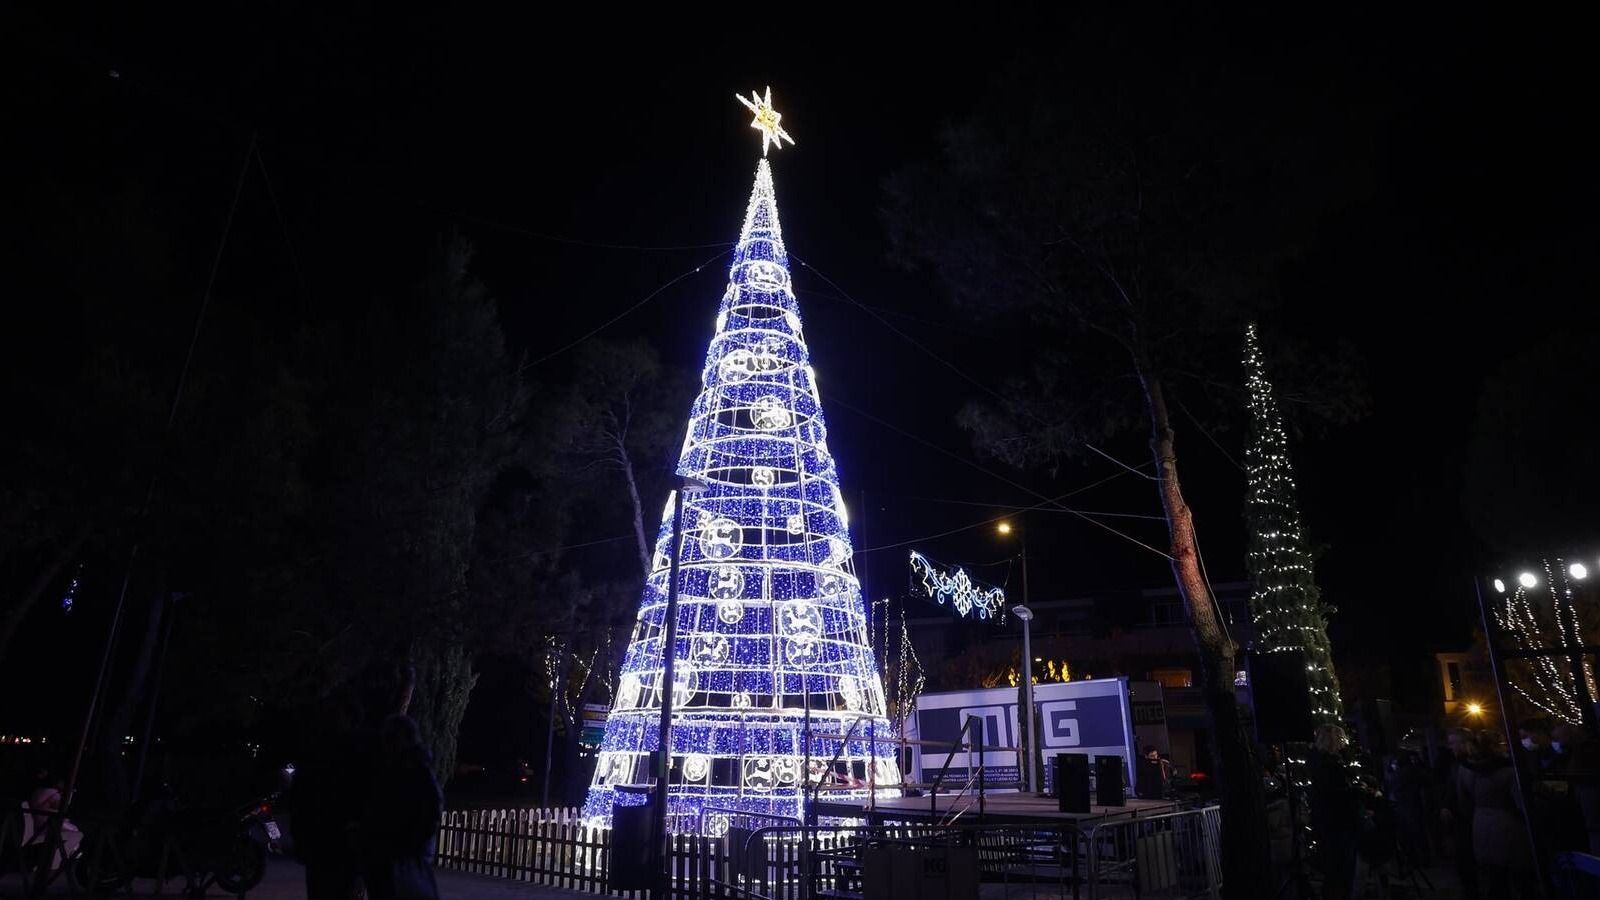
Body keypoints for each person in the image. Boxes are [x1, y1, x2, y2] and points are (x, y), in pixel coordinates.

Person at [359, 715, 442, 900]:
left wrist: (406, 844)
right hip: (386, 858)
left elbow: (429, 814)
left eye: (392, 738)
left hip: (404, 858)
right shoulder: (392, 769)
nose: (388, 743)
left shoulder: (416, 772)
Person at [1458, 732, 1536, 899]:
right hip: (1510, 825)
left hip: (1481, 825)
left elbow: (1463, 802)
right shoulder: (1508, 771)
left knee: (1495, 880)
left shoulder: (1465, 770)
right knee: (1522, 879)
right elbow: (1520, 802)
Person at [1308, 724, 1359, 900]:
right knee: (1340, 869)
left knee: (1333, 869)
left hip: (1326, 822)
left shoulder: (1317, 762)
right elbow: (1337, 794)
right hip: (1337, 823)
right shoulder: (1331, 764)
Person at [1439, 729, 1480, 899]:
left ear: (1465, 744)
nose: (1451, 747)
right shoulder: (1456, 764)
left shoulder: (1470, 765)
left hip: (1469, 817)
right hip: (1460, 817)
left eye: (1454, 742)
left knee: (1468, 860)